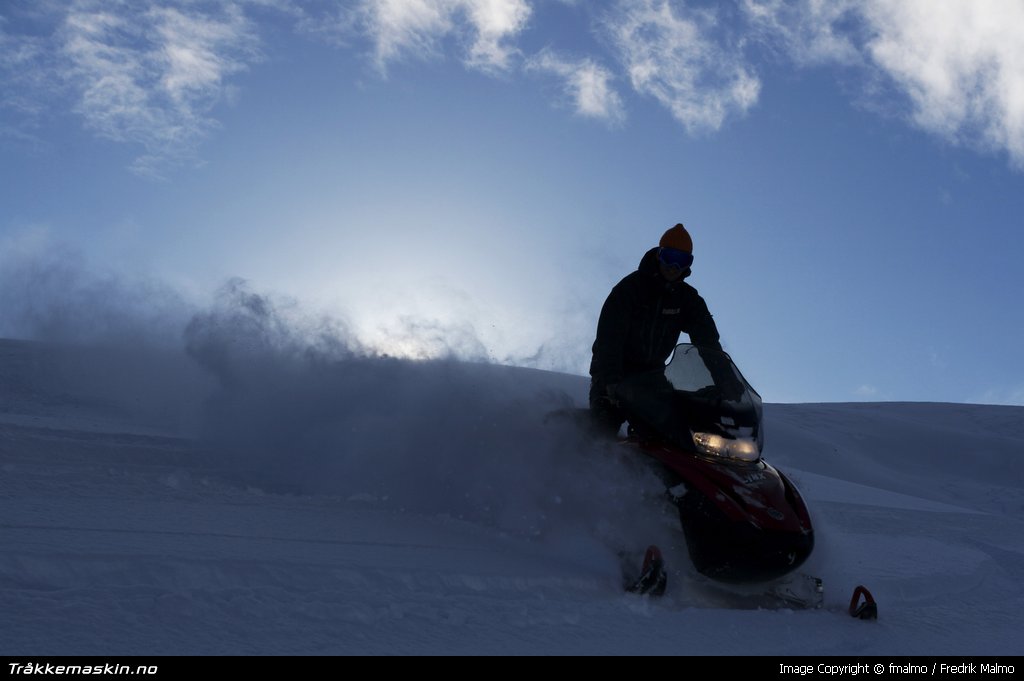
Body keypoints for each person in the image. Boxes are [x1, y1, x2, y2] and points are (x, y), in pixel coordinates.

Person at [588, 223, 724, 435]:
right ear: (659, 255)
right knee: (603, 426)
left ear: (688, 264)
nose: (673, 266)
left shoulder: (688, 300)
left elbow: (707, 341)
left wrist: (723, 380)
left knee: (673, 429)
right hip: (615, 371)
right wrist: (610, 381)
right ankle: (582, 454)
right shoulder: (630, 289)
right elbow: (609, 338)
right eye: (669, 257)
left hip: (651, 375)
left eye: (681, 261)